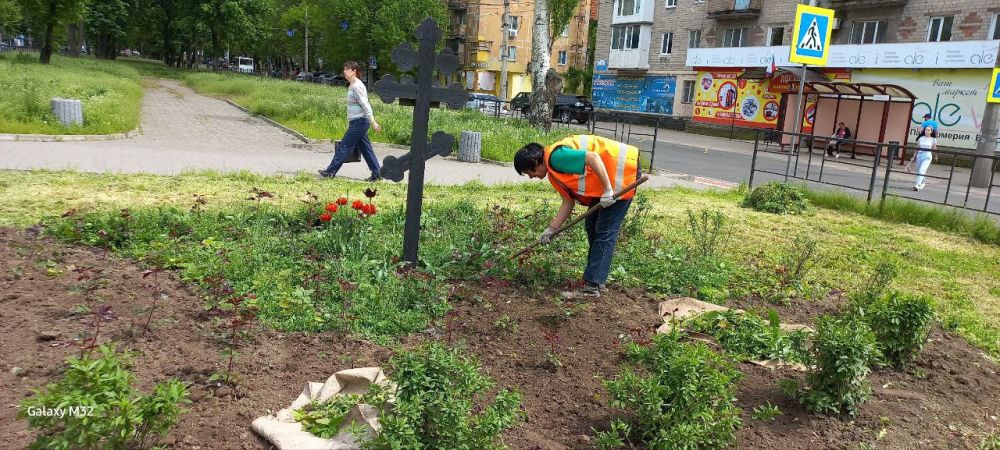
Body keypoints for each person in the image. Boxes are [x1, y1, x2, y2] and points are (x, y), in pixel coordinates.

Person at [514, 135, 640, 298]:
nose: (531, 177)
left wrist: (608, 190)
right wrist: (551, 229)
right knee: (592, 226)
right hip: (605, 185)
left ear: (535, 162)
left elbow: (593, 157)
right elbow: (568, 203)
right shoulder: (553, 174)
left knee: (605, 231)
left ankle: (592, 285)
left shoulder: (555, 158)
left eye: (529, 172)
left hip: (621, 176)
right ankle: (596, 280)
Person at [318, 61, 382, 182]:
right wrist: (350, 122)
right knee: (366, 149)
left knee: (344, 146)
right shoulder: (352, 85)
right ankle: (377, 174)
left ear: (354, 71)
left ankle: (330, 172)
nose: (344, 71)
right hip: (357, 122)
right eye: (344, 69)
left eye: (347, 69)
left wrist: (373, 121)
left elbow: (365, 105)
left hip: (360, 122)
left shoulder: (357, 86)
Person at [909, 125, 938, 191]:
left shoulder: (933, 139)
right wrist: (914, 156)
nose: (927, 131)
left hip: (927, 156)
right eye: (926, 130)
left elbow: (935, 148)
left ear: (931, 131)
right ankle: (923, 183)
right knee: (919, 170)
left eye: (928, 130)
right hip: (919, 155)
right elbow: (917, 148)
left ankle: (917, 185)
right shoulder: (921, 138)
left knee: (922, 170)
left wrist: (936, 156)